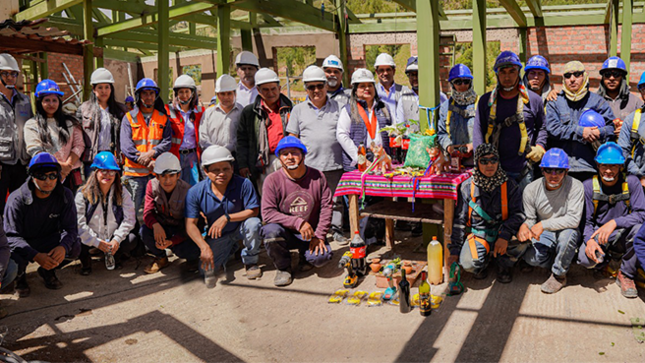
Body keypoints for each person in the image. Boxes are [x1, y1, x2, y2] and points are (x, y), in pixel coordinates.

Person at [261, 136, 333, 286]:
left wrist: (319, 235)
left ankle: (304, 256)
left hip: (310, 233)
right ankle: (283, 267)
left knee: (321, 258)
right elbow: (267, 213)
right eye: (285, 154)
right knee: (270, 231)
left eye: (294, 153)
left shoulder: (318, 176)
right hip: (286, 232)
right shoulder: (272, 180)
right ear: (279, 158)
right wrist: (298, 222)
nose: (290, 157)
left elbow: (327, 207)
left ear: (303, 155)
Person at [4, 153, 80, 296]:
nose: (48, 181)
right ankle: (20, 278)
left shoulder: (65, 195)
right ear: (32, 177)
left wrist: (62, 247)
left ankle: (47, 270)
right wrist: (36, 256)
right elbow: (11, 237)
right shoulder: (17, 200)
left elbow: (71, 229)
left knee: (75, 246)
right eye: (42, 176)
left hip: (47, 240)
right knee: (13, 261)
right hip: (23, 244)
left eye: (52, 176)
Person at [185, 146, 262, 286]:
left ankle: (251, 262)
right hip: (218, 235)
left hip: (241, 228)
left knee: (254, 224)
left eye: (226, 169)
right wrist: (204, 247)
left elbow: (254, 211)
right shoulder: (195, 192)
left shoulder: (244, 184)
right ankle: (231, 249)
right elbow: (190, 224)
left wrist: (227, 217)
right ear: (206, 172)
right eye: (216, 170)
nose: (222, 173)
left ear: (232, 168)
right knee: (206, 271)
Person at [286, 66, 345, 244]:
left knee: (336, 201)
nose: (316, 90)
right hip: (309, 166)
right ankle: (314, 231)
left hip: (334, 163)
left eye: (320, 86)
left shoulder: (339, 107)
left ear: (326, 86)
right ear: (306, 89)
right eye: (311, 87)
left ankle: (336, 229)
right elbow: (292, 138)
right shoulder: (298, 110)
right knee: (310, 202)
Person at [578, 142, 645, 298]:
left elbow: (642, 213)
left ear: (621, 166)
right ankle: (607, 261)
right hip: (599, 234)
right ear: (598, 165)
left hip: (622, 232)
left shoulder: (632, 182)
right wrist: (589, 240)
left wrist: (615, 222)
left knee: (640, 230)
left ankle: (626, 274)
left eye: (614, 166)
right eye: (604, 166)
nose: (608, 171)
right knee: (585, 260)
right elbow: (585, 222)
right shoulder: (588, 186)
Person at [449, 144, 524, 283]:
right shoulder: (466, 187)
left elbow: (518, 215)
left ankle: (504, 264)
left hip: (504, 232)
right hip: (480, 235)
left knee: (525, 241)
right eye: (484, 161)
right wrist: (454, 252)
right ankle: (483, 263)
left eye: (493, 160)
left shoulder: (510, 185)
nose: (489, 164)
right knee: (468, 264)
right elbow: (459, 221)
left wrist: (505, 236)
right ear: (477, 162)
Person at [473, 51, 547, 191]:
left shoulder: (533, 100)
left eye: (512, 71)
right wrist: (480, 162)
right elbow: (478, 131)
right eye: (503, 72)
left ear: (518, 72)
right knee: (494, 211)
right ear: (497, 74)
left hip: (523, 170)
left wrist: (540, 146)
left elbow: (542, 127)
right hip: (492, 168)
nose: (507, 76)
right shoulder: (486, 101)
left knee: (523, 210)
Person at [513, 148, 584, 293]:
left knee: (568, 235)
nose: (554, 175)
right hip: (545, 233)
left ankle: (559, 275)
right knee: (531, 259)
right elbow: (531, 218)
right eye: (549, 170)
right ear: (542, 170)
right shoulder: (531, 189)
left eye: (559, 171)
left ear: (566, 171)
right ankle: (560, 259)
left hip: (565, 229)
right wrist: (525, 226)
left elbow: (574, 220)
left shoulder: (575, 186)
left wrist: (543, 224)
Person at [546, 61, 615, 182]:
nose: (572, 79)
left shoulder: (598, 101)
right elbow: (552, 129)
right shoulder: (555, 101)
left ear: (584, 76)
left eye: (577, 74)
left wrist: (600, 132)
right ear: (563, 80)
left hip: (590, 167)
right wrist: (580, 131)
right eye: (567, 76)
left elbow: (612, 128)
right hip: (560, 168)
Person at [76, 152, 137, 275]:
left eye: (111, 171)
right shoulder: (82, 194)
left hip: (112, 236)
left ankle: (116, 254)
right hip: (92, 238)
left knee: (132, 240)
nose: (107, 175)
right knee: (76, 244)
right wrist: (96, 242)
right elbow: (79, 224)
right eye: (103, 171)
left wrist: (116, 240)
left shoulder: (122, 192)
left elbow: (129, 219)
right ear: (96, 172)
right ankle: (86, 261)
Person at [120, 78, 172, 216]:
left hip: (155, 174)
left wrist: (152, 154)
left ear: (156, 96)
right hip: (134, 175)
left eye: (151, 93)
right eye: (145, 93)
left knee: (157, 212)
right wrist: (147, 161)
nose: (148, 97)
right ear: (138, 96)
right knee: (131, 213)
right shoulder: (129, 118)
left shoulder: (163, 117)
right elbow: (126, 147)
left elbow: (167, 142)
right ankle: (131, 237)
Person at [141, 152, 200, 274]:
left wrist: (173, 241)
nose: (167, 180)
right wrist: (155, 225)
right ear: (157, 176)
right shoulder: (151, 186)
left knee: (187, 249)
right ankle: (161, 258)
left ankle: (192, 259)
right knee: (145, 231)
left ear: (178, 175)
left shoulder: (188, 191)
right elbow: (147, 212)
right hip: (163, 227)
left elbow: (191, 225)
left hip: (182, 230)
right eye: (163, 176)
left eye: (171, 175)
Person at [236, 68, 293, 193]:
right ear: (258, 90)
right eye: (265, 89)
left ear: (279, 88)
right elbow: (242, 140)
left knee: (288, 194)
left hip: (286, 159)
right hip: (262, 163)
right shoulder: (249, 112)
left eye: (273, 89)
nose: (270, 93)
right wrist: (243, 164)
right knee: (267, 197)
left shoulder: (290, 109)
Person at [24, 79, 85, 192]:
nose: (51, 104)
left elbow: (79, 145)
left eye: (54, 100)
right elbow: (35, 150)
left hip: (70, 176)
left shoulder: (71, 123)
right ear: (40, 102)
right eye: (47, 100)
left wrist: (68, 165)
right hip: (45, 176)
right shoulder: (32, 124)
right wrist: (59, 166)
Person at [337, 68, 393, 171]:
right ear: (355, 90)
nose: (367, 88)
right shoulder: (348, 110)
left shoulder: (384, 108)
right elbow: (342, 135)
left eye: (370, 85)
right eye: (362, 86)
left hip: (381, 161)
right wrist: (359, 158)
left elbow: (391, 132)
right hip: (357, 165)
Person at [77, 68, 126, 179]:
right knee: (92, 192)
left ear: (111, 89)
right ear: (94, 89)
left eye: (106, 87)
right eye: (100, 87)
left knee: (113, 191)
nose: (104, 91)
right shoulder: (84, 109)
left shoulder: (120, 110)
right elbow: (78, 137)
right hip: (92, 159)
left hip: (113, 158)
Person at [0, 53, 32, 213]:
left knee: (20, 203)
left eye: (13, 74)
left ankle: (16, 235)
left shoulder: (25, 101)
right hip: (2, 163)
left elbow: (31, 128)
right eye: (5, 73)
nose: (10, 77)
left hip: (21, 161)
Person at [165, 74, 205, 186]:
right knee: (175, 186)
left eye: (187, 91)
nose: (184, 95)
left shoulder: (200, 111)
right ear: (176, 94)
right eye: (181, 92)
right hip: (175, 154)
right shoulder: (168, 110)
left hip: (192, 156)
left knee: (193, 186)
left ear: (192, 93)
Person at [437, 63, 477, 167]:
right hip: (454, 162)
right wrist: (449, 147)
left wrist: (475, 145)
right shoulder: (446, 107)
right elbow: (441, 133)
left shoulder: (480, 104)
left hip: (477, 162)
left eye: (466, 81)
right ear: (452, 84)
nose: (463, 85)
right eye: (458, 82)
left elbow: (488, 131)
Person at [199, 75, 243, 156]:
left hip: (237, 158)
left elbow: (244, 138)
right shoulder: (208, 113)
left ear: (235, 94)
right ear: (217, 95)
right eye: (222, 94)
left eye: (229, 93)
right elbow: (203, 138)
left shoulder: (242, 112)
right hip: (213, 157)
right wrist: (216, 152)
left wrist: (226, 150)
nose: (226, 97)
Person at [597, 56, 643, 134]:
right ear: (603, 78)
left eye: (616, 74)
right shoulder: (595, 101)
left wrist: (627, 131)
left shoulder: (635, 102)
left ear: (622, 77)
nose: (611, 78)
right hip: (601, 145)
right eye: (607, 75)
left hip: (628, 145)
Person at [395, 56, 422, 132]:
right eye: (411, 75)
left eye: (417, 74)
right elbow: (400, 126)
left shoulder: (439, 97)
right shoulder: (403, 99)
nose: (415, 78)